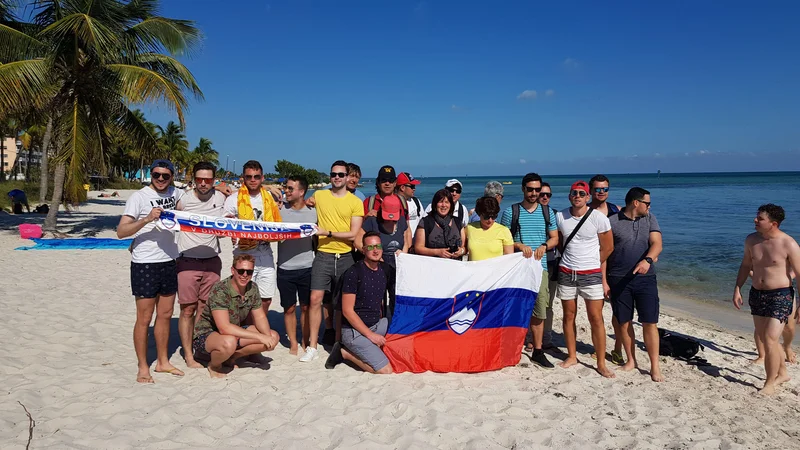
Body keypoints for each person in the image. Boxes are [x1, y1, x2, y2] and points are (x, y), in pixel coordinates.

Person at [117, 159, 185, 383]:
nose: (161, 179)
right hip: (145, 262)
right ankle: (143, 366)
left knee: (165, 315)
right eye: (157, 175)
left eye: (166, 175)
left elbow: (193, 210)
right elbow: (121, 231)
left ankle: (163, 362)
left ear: (172, 176)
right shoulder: (139, 197)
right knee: (144, 318)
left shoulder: (177, 193)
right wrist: (147, 219)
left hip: (170, 261)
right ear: (151, 175)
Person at [732, 204, 800, 395]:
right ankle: (783, 373)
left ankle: (769, 382)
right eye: (757, 217)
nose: (755, 220)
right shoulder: (751, 240)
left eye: (760, 218)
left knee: (770, 338)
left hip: (781, 294)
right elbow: (746, 265)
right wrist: (738, 288)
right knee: (765, 337)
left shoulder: (789, 244)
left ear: (773, 223)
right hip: (757, 293)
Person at [556, 180, 615, 378]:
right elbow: (558, 242)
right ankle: (572, 356)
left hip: (591, 274)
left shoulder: (598, 218)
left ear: (588, 197)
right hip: (567, 272)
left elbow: (608, 247)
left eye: (582, 193)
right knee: (569, 315)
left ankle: (600, 362)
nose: (578, 196)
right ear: (569, 195)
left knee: (596, 318)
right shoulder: (560, 216)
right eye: (575, 193)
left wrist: (591, 264)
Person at [605, 187, 664, 382]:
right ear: (636, 203)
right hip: (618, 278)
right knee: (624, 321)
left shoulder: (650, 219)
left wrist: (647, 260)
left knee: (650, 322)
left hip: (645, 279)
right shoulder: (612, 222)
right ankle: (631, 360)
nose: (649, 207)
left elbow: (657, 244)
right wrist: (604, 281)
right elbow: (604, 253)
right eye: (647, 203)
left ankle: (655, 366)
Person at [308, 160, 365, 361]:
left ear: (347, 176)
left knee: (341, 303)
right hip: (322, 254)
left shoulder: (355, 202)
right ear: (330, 176)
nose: (337, 178)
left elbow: (353, 234)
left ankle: (339, 343)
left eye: (341, 174)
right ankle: (312, 346)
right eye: (334, 174)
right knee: (315, 299)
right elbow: (302, 203)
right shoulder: (319, 195)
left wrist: (327, 232)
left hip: (346, 256)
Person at [499, 173, 558, 367]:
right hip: (518, 269)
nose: (534, 193)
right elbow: (504, 238)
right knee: (515, 308)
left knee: (540, 310)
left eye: (537, 189)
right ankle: (513, 345)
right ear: (523, 189)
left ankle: (538, 350)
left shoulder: (547, 212)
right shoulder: (511, 212)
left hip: (539, 268)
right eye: (530, 189)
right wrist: (518, 244)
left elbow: (554, 238)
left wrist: (544, 246)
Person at [193, 254, 280, 378]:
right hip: (207, 334)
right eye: (241, 271)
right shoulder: (221, 290)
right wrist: (260, 337)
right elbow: (224, 328)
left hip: (233, 332)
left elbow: (260, 317)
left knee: (273, 337)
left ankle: (234, 356)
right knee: (229, 343)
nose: (245, 275)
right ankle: (214, 365)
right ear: (233, 270)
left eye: (249, 272)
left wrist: (266, 338)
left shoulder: (252, 287)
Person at [176, 161, 226, 369]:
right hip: (187, 261)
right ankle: (188, 354)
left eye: (208, 179)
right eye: (199, 179)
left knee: (205, 309)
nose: (204, 183)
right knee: (187, 310)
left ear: (214, 180)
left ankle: (199, 348)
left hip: (212, 262)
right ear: (193, 180)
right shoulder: (183, 200)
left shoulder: (221, 198)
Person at [325, 232, 395, 374]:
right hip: (353, 331)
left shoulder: (386, 269)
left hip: (376, 324)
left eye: (378, 246)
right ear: (363, 250)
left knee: (401, 330)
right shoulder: (354, 273)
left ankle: (368, 346)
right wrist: (371, 335)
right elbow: (347, 311)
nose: (375, 250)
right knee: (385, 370)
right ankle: (344, 353)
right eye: (370, 247)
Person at [223, 160, 282, 314]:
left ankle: (256, 328)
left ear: (262, 178)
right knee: (242, 297)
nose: (253, 180)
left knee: (266, 298)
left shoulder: (270, 197)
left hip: (265, 253)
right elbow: (224, 225)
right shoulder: (233, 199)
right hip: (243, 253)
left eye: (256, 176)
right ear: (243, 178)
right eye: (249, 177)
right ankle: (246, 330)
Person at [277, 175, 317, 356]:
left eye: (290, 188)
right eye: (286, 188)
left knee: (306, 307)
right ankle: (293, 342)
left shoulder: (313, 212)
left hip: (307, 266)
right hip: (285, 267)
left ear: (302, 192)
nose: (286, 191)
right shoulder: (279, 210)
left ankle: (304, 340)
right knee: (289, 307)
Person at [355, 194, 411, 268]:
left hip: (398, 264)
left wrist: (403, 254)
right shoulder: (372, 221)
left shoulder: (402, 221)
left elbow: (406, 242)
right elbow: (357, 242)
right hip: (376, 264)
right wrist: (372, 255)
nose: (390, 221)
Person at [414, 189, 466, 259]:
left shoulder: (458, 222)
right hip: (432, 265)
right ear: (435, 204)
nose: (444, 205)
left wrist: (461, 251)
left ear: (451, 205)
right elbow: (418, 248)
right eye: (441, 202)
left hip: (455, 265)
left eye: (447, 202)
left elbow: (464, 247)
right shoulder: (425, 222)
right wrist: (437, 252)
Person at [538, 182, 559, 349]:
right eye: (542, 194)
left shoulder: (555, 215)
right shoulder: (525, 214)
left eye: (548, 195)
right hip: (532, 264)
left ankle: (547, 336)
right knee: (533, 303)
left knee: (548, 303)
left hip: (552, 264)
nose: (545, 197)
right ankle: (532, 336)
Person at [465, 196, 514, 261]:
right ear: (479, 214)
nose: (490, 220)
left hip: (497, 270)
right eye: (486, 217)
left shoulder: (504, 231)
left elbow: (509, 258)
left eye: (494, 216)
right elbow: (463, 248)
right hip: (474, 270)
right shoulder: (469, 228)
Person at [395, 171, 425, 241]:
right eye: (412, 186)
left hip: (415, 243)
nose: (414, 189)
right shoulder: (393, 202)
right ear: (402, 187)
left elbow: (422, 222)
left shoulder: (416, 201)